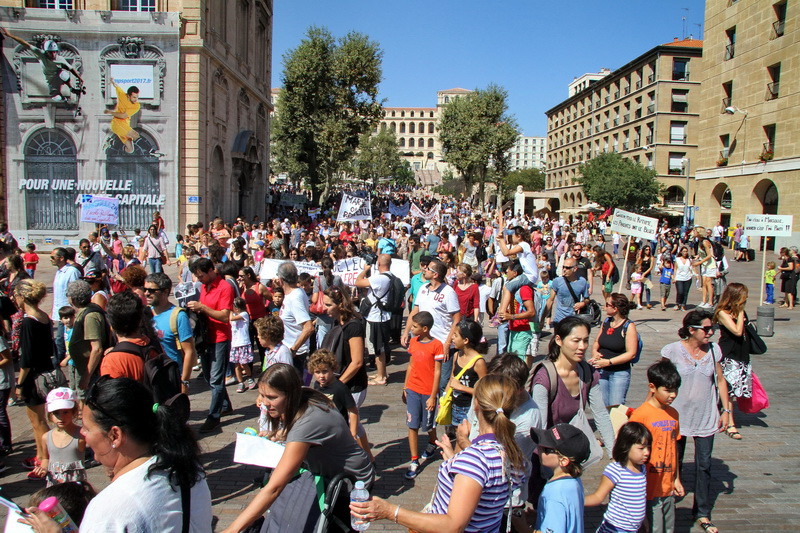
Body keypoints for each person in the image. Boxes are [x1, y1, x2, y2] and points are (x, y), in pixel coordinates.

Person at [22, 377, 212, 531]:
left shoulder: (108, 509)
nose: (82, 433)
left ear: (115, 435)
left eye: (87, 429)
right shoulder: (188, 469)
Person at [350, 374, 524, 533]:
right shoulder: (511, 453)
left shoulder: (475, 460)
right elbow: (484, 490)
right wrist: (455, 459)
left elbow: (453, 525)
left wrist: (390, 511)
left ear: (476, 404)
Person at [223, 364, 374, 533]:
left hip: (350, 483)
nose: (265, 403)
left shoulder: (308, 421)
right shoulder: (302, 394)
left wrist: (232, 529)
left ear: (290, 394)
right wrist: (278, 434)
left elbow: (274, 488)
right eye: (261, 395)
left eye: (271, 397)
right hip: (332, 473)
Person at [661, 309, 733, 533]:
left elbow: (720, 381)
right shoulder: (672, 351)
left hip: (706, 415)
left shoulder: (714, 350)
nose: (711, 332)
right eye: (707, 329)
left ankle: (702, 512)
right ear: (691, 330)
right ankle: (668, 504)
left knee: (704, 465)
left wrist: (726, 410)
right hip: (677, 416)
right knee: (674, 462)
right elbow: (660, 381)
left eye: (712, 329)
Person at [629, 360, 685, 533]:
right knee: (653, 527)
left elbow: (674, 448)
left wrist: (676, 478)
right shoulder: (641, 415)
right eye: (668, 390)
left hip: (667, 484)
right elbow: (630, 451)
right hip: (648, 485)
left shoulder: (673, 414)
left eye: (675, 390)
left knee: (668, 527)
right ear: (652, 387)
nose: (673, 395)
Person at [14, 279, 59, 479]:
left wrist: (20, 383)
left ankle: (44, 458)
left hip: (33, 376)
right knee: (39, 418)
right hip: (46, 370)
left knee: (37, 420)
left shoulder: (27, 321)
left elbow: (26, 358)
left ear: (23, 297)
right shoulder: (44, 317)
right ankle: (40, 454)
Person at [188, 258, 234, 433]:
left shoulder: (224, 287)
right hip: (206, 337)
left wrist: (202, 308)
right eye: (198, 277)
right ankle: (224, 403)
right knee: (209, 377)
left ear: (211, 271)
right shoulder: (204, 286)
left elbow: (224, 316)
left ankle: (214, 416)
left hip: (220, 337)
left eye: (201, 276)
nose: (200, 279)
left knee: (215, 379)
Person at [403, 259, 461, 393]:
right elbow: (415, 311)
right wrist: (406, 331)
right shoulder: (423, 288)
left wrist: (447, 343)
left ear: (435, 275)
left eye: (428, 268)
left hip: (441, 343)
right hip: (424, 343)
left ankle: (441, 411)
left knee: (442, 383)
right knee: (424, 377)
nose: (424, 269)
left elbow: (457, 319)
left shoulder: (448, 292)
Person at [584, 421, 651, 533]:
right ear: (626, 446)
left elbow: (639, 499)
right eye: (641, 448)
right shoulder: (616, 470)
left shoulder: (642, 468)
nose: (647, 452)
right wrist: (576, 500)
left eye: (648, 447)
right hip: (615, 529)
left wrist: (644, 523)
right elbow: (598, 496)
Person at [402, 311, 444, 479]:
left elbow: (437, 373)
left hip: (428, 392)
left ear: (425, 329)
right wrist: (405, 387)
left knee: (428, 424)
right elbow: (411, 366)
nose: (411, 329)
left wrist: (433, 396)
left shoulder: (437, 345)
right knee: (412, 425)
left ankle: (433, 442)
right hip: (413, 389)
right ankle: (414, 460)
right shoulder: (413, 342)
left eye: (415, 326)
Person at [531, 423, 592, 533]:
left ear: (563, 460)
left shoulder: (554, 493)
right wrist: (539, 516)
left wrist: (523, 528)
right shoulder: (574, 481)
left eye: (546, 449)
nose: (539, 448)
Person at [146, 273, 197, 395]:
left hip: (171, 377)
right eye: (145, 289)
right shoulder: (145, 314)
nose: (147, 293)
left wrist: (184, 381)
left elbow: (189, 351)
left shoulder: (178, 316)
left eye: (152, 290)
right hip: (150, 377)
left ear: (165, 292)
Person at [0, 28, 83, 101]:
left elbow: (71, 69)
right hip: (50, 79)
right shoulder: (40, 54)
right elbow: (25, 44)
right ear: (46, 52)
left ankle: (71, 89)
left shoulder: (60, 58)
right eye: (50, 52)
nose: (53, 54)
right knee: (56, 97)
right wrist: (10, 35)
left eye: (54, 52)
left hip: (58, 73)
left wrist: (79, 78)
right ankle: (60, 96)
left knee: (64, 74)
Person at [714, 283, 751, 441]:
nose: (746, 299)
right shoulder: (723, 312)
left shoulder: (739, 312)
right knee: (728, 391)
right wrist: (741, 312)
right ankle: (730, 424)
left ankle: (721, 416)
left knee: (735, 391)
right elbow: (736, 331)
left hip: (741, 354)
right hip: (728, 354)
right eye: (743, 296)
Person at [590, 293, 639, 407]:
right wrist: (595, 352)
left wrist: (609, 362)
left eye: (608, 304)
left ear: (615, 308)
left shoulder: (628, 326)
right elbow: (597, 341)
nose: (605, 307)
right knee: (602, 406)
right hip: (602, 371)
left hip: (619, 373)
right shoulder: (607, 322)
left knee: (615, 406)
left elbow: (631, 354)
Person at [31, 387, 86, 487]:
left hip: (75, 487)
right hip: (54, 485)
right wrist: (43, 469)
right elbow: (46, 459)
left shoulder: (82, 434)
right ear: (50, 415)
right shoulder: (46, 437)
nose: (61, 417)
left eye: (65, 412)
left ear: (73, 412)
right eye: (56, 413)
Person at [65, 280, 111, 391]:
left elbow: (97, 349)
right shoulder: (85, 312)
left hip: (92, 372)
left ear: (73, 299)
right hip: (84, 368)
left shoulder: (90, 316)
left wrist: (86, 377)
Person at [355, 254, 394, 386]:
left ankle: (381, 377)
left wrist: (365, 269)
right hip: (383, 316)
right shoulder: (391, 277)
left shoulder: (380, 278)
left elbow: (358, 282)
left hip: (376, 317)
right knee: (379, 346)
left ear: (379, 264)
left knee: (377, 348)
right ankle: (380, 373)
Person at [273, 261, 314, 377]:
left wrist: (293, 350)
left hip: (295, 354)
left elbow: (309, 328)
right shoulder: (292, 293)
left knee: (293, 390)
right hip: (288, 349)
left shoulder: (295, 298)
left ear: (281, 279)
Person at [447, 320, 488, 430]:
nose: (452, 338)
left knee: (466, 440)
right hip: (455, 406)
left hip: (470, 409)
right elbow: (452, 378)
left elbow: (485, 391)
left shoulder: (478, 362)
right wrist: (445, 396)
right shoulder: (457, 355)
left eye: (455, 335)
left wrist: (461, 387)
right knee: (459, 438)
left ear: (465, 340)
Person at [308, 349, 358, 439]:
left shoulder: (340, 388)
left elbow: (352, 411)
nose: (321, 376)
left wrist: (353, 433)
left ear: (332, 369)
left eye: (325, 371)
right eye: (317, 372)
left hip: (339, 431)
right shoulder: (317, 385)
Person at [499, 260, 537, 364]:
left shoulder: (524, 289)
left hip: (523, 331)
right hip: (514, 329)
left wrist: (511, 316)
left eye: (509, 269)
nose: (506, 271)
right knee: (511, 362)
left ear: (515, 273)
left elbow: (531, 312)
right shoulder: (513, 288)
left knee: (517, 364)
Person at [50, 248, 82, 366]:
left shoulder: (71, 271)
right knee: (59, 340)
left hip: (68, 312)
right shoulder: (59, 272)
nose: (51, 260)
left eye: (53, 257)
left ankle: (58, 363)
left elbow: (75, 292)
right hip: (58, 312)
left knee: (61, 340)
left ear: (61, 258)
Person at [546, 258, 590, 328]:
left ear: (575, 269)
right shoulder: (557, 281)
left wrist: (583, 303)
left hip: (574, 320)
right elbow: (550, 300)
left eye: (567, 268)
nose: (564, 269)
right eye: (563, 267)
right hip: (559, 320)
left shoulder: (582, 282)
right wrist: (542, 318)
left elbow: (587, 299)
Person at [103, 77, 141, 153]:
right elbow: (117, 86)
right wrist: (112, 81)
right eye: (134, 97)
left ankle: (112, 143)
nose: (136, 99)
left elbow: (123, 116)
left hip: (125, 126)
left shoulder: (136, 106)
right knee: (135, 135)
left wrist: (110, 112)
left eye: (137, 97)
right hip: (117, 124)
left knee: (130, 150)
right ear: (128, 95)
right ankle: (152, 151)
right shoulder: (122, 95)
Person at [230, 297, 256, 393]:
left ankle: (250, 378)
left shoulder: (244, 314)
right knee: (236, 364)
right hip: (235, 343)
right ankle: (240, 382)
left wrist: (227, 309)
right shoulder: (232, 314)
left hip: (243, 342)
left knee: (244, 363)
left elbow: (232, 318)